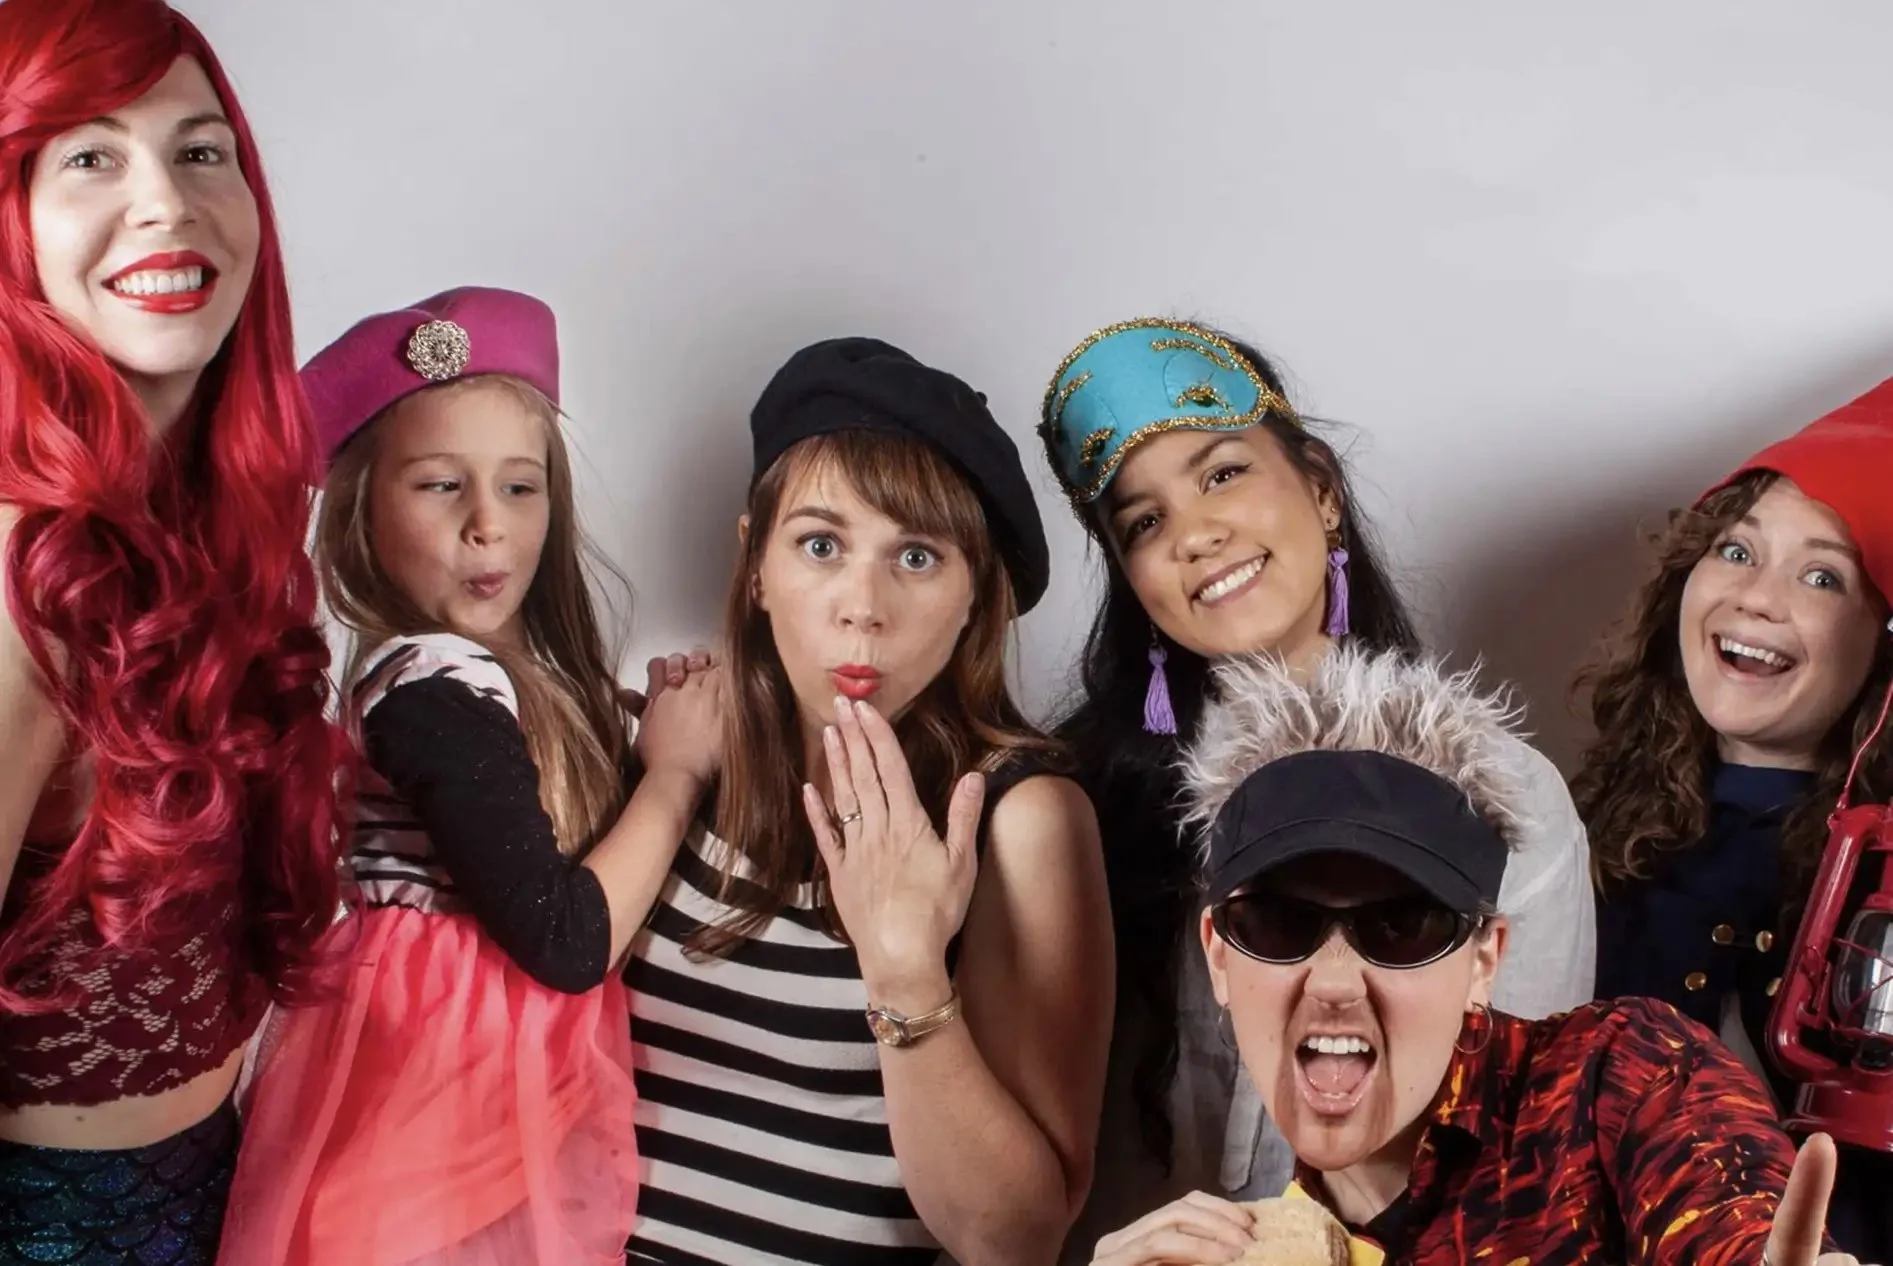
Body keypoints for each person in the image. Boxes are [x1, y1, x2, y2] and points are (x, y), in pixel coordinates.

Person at [1037, 318, 1596, 1254]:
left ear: (1322, 490)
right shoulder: (1074, 808)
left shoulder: (1501, 797)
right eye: (1143, 522)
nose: (1196, 534)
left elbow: (1524, 1142)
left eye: (1221, 474)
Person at [214, 287, 723, 1264]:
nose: (489, 525)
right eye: (442, 485)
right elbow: (567, 940)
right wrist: (675, 773)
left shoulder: (480, 681)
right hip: (436, 1109)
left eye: (520, 487)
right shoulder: (433, 684)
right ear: (364, 515)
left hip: (482, 1106)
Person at [1090, 647, 1865, 1266]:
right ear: (1219, 958)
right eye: (1276, 925)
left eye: (1402, 927)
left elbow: (1723, 1208)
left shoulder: (1616, 1079)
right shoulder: (1254, 1246)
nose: (1331, 981)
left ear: (1483, 959)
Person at [625, 337, 1113, 1265]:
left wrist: (904, 971)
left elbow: (1014, 1239)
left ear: (979, 597)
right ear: (756, 563)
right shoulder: (672, 751)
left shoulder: (1017, 820)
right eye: (820, 545)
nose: (863, 605)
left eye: (918, 557)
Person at [0, 2, 346, 1259]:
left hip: (206, 1199)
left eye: (203, 151)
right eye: (90, 155)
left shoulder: (209, 536)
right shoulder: (23, 579)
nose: (167, 201)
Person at [1577, 375, 1893, 1259]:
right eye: (1736, 551)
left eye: (1822, 575)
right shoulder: (1569, 839)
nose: (1756, 597)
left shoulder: (1884, 881)